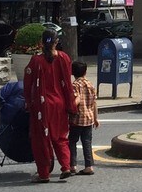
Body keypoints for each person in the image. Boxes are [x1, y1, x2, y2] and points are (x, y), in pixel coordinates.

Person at [23, 28, 78, 183]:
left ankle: (44, 174)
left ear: (41, 42)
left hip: (42, 106)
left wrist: (28, 102)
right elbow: (67, 84)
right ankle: (65, 167)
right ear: (57, 42)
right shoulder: (64, 58)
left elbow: (27, 83)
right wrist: (71, 106)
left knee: (41, 140)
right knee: (60, 137)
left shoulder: (36, 61)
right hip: (60, 104)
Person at [69, 60, 99, 175]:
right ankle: (89, 166)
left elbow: (76, 100)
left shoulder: (75, 85)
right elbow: (94, 102)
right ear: (85, 72)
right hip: (89, 118)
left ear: (72, 72)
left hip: (77, 118)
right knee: (87, 142)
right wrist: (96, 118)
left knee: (72, 141)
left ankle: (72, 165)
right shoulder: (90, 84)